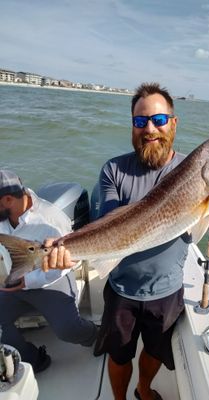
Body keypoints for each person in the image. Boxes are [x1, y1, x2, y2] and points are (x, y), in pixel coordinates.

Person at [45, 82, 189, 400]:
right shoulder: (114, 170)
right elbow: (110, 226)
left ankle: (143, 388)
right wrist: (67, 246)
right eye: (140, 122)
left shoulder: (189, 171)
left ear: (173, 123)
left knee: (154, 351)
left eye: (159, 120)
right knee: (119, 354)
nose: (149, 129)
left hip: (167, 291)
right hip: (121, 291)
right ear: (132, 126)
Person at [0, 170, 97, 373]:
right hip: (13, 281)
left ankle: (96, 335)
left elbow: (67, 264)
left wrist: (28, 281)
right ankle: (33, 359)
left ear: (8, 199)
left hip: (52, 280)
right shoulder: (3, 214)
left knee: (67, 330)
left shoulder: (52, 221)